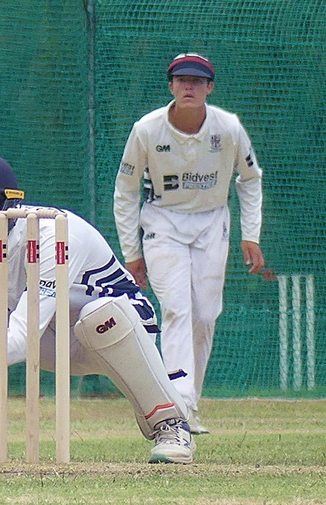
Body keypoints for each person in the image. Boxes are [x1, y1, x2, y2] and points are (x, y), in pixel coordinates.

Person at [0, 152, 195, 464]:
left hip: (112, 337)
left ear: (7, 206)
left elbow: (21, 339)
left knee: (101, 314)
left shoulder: (53, 234)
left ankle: (171, 424)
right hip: (41, 334)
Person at [113, 53, 264, 435]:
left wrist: (251, 234)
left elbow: (249, 178)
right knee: (177, 310)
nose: (189, 87)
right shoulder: (147, 129)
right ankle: (177, 405)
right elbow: (126, 190)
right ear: (171, 87)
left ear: (210, 88)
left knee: (204, 316)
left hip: (213, 223)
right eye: (182, 80)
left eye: (197, 81)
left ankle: (189, 403)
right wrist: (131, 252)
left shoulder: (227, 128)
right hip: (163, 223)